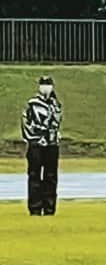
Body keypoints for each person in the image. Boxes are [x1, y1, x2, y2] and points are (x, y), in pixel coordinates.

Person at [22, 76, 63, 216]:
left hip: (52, 144)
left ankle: (49, 207)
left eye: (48, 84)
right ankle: (35, 207)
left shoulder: (56, 105)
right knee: (34, 175)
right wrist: (34, 139)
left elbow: (57, 123)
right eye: (44, 84)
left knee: (51, 176)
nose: (46, 87)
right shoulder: (32, 104)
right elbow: (26, 124)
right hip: (36, 145)